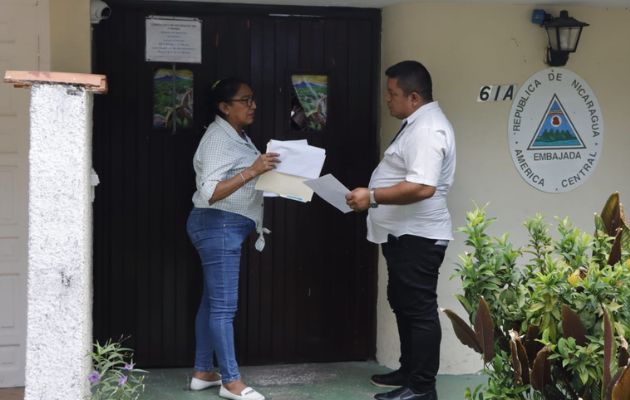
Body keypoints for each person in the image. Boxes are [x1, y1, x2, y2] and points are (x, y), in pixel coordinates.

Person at [345, 60, 456, 400]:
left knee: (419, 309)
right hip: (404, 235)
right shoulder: (418, 123)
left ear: (414, 96)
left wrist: (373, 196)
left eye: (392, 94)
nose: (387, 100)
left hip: (417, 237)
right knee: (404, 303)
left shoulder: (427, 129)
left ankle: (422, 389)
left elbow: (422, 187)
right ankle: (410, 372)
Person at [187, 77, 279, 400]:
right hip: (218, 224)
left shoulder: (237, 137)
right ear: (224, 107)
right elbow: (210, 191)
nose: (252, 105)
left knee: (212, 303)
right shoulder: (216, 139)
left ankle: (202, 372)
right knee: (224, 307)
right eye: (245, 100)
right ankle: (231, 381)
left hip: (225, 225)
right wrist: (253, 171)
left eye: (253, 99)